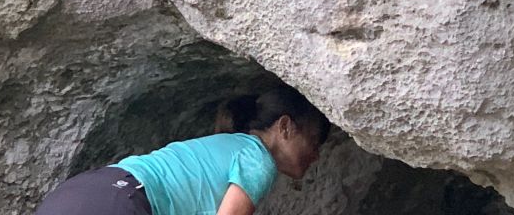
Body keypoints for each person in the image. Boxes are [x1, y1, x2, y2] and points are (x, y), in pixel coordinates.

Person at [35, 84, 332, 215]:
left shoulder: (226, 145)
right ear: (285, 127)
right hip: (122, 201)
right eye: (315, 140)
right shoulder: (258, 159)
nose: (316, 154)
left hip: (78, 194)